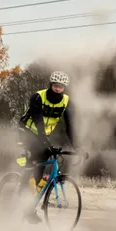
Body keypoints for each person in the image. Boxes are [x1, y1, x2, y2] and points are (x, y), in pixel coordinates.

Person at [19, 71, 76, 199]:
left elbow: (70, 126)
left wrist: (76, 146)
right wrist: (45, 141)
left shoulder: (66, 102)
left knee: (43, 161)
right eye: (55, 85)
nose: (57, 89)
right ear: (50, 85)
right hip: (28, 130)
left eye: (60, 86)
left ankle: (32, 200)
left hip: (44, 134)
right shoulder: (38, 97)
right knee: (34, 158)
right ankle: (22, 194)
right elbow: (38, 121)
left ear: (64, 88)